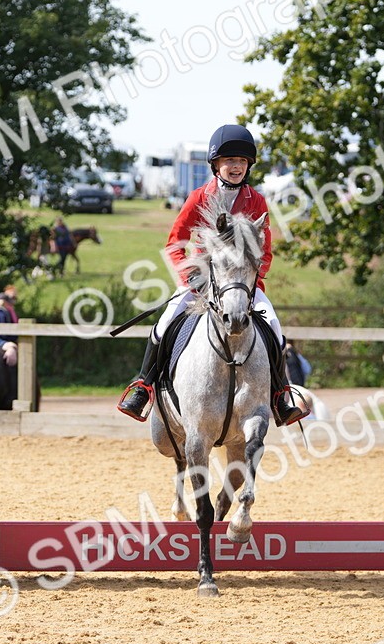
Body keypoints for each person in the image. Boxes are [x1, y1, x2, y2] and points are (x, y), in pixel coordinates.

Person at [116, 123, 309, 426]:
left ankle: (280, 394)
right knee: (166, 320)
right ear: (216, 164)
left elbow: (265, 252)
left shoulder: (257, 201)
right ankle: (143, 386)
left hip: (241, 284)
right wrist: (189, 277)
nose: (236, 167)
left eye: (242, 162)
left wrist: (248, 280)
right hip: (200, 281)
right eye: (230, 161)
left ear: (249, 166)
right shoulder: (198, 197)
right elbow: (174, 244)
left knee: (273, 325)